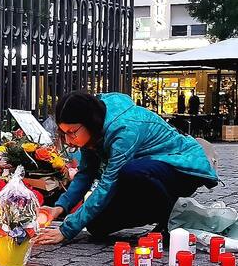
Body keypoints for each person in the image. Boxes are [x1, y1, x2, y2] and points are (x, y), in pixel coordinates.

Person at [35, 90, 218, 245]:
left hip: (180, 168)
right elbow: (86, 173)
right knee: (96, 226)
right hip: (145, 172)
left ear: (89, 122)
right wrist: (60, 208)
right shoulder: (94, 129)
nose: (68, 140)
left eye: (71, 132)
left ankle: (171, 219)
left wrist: (67, 230)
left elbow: (109, 182)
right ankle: (154, 210)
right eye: (63, 133)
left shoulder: (124, 130)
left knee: (130, 172)